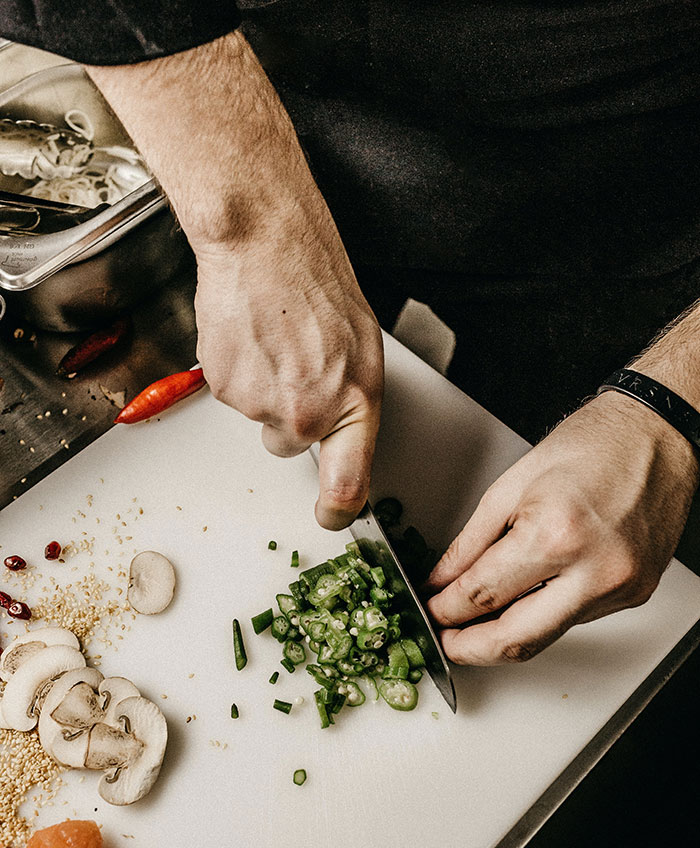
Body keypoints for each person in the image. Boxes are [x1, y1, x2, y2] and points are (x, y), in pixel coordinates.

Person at [2, 2, 700, 666]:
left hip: (629, 193)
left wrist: (671, 411)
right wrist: (248, 222)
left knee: (538, 512)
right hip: (266, 104)